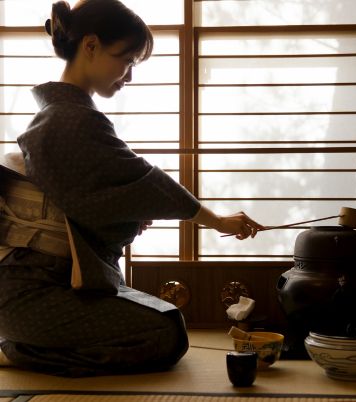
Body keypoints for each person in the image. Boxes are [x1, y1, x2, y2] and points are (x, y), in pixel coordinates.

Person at [0, 0, 264, 377]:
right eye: (126, 60)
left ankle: (26, 342)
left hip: (43, 286)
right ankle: (18, 349)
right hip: (34, 292)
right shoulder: (67, 121)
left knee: (167, 318)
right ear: (90, 46)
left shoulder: (68, 116)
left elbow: (108, 198)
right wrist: (218, 221)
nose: (128, 76)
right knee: (164, 334)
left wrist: (128, 213)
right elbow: (146, 183)